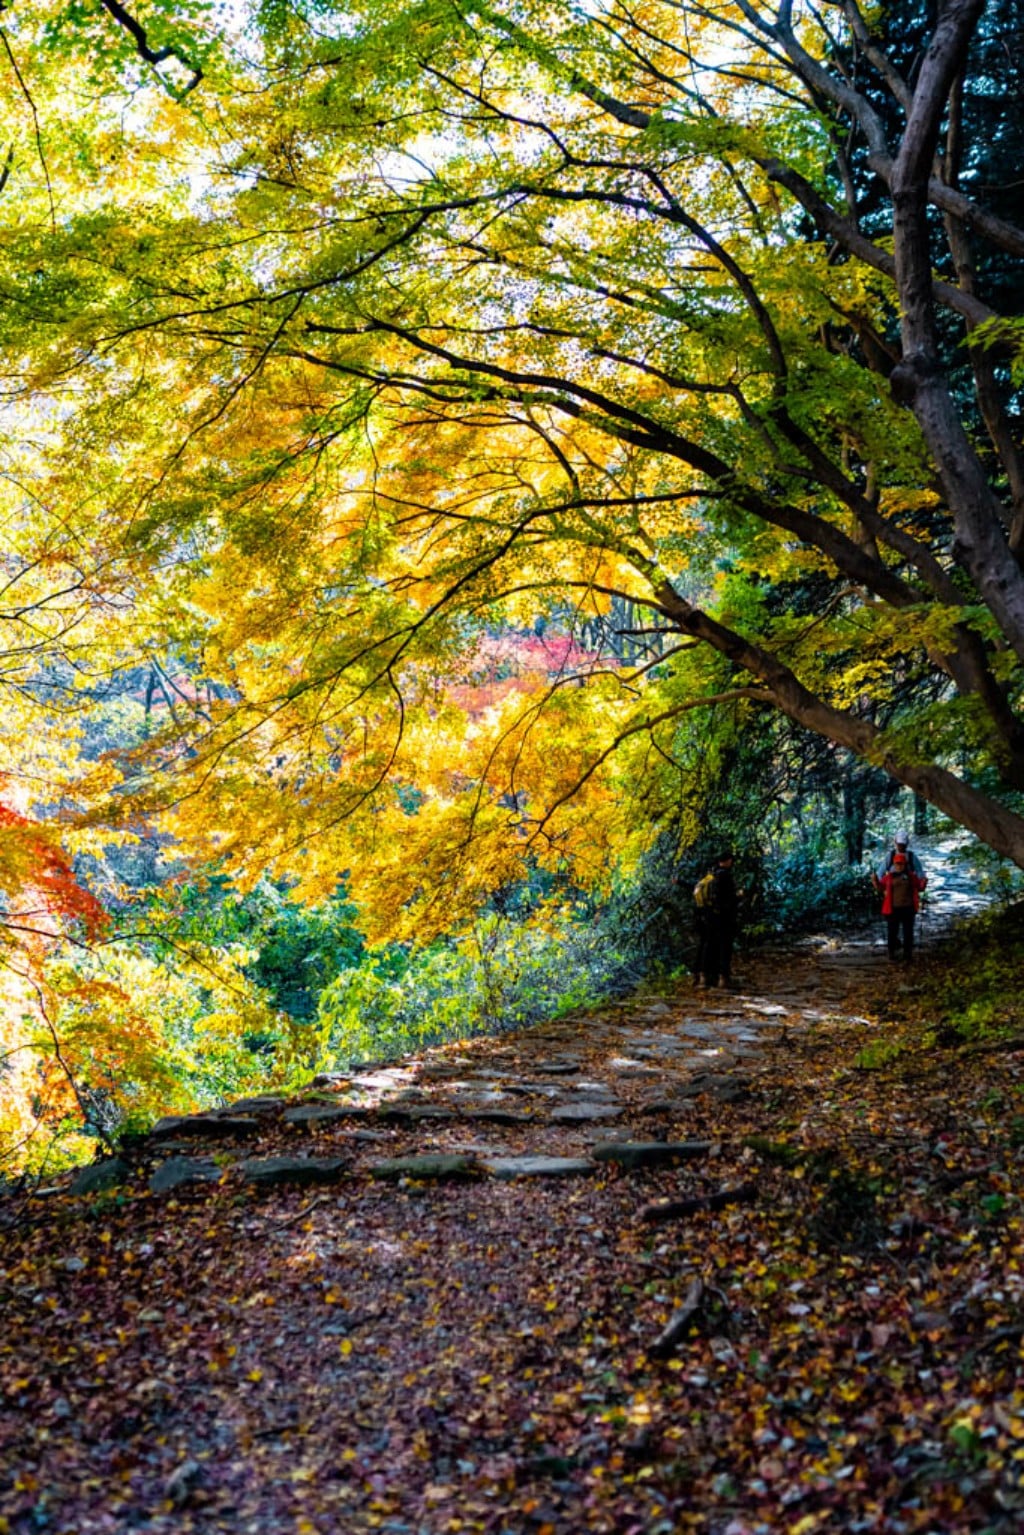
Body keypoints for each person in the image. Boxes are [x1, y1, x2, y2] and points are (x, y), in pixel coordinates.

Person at [878, 848, 927, 962]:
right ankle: (892, 953)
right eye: (897, 864)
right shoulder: (889, 877)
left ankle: (907, 955)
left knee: (908, 933)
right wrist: (875, 881)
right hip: (893, 909)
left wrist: (923, 883)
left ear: (905, 864)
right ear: (894, 864)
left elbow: (919, 888)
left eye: (901, 864)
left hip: (908, 908)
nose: (899, 866)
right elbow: (880, 887)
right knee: (892, 932)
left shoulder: (911, 876)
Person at [702, 850, 741, 989]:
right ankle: (723, 979)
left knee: (710, 946)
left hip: (710, 916)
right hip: (725, 917)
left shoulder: (710, 875)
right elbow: (730, 899)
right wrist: (739, 896)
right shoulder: (726, 876)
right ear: (729, 860)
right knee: (725, 947)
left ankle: (704, 977)